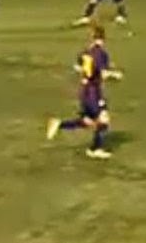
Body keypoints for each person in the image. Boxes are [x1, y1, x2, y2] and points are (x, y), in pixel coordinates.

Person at [45, 25, 123, 160]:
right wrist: (115, 75)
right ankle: (95, 149)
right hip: (94, 92)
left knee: (87, 121)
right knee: (103, 119)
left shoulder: (86, 52)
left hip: (84, 91)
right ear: (103, 38)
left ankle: (60, 124)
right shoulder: (101, 54)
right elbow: (104, 74)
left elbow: (77, 67)